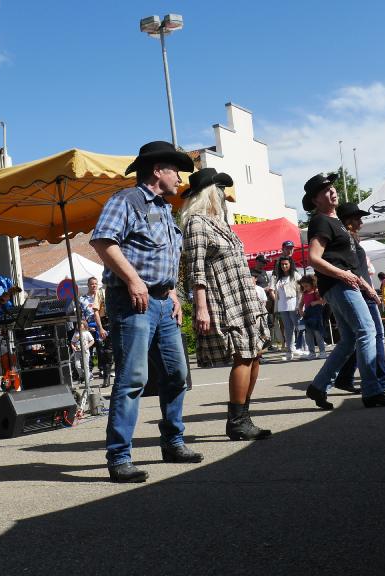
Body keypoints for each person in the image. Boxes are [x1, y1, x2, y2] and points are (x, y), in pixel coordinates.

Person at [90, 141, 200, 483]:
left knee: (177, 374)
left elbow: (164, 257)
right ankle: (119, 457)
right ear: (157, 170)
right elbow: (103, 241)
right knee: (132, 379)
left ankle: (173, 442)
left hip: (163, 303)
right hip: (132, 301)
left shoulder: (165, 209)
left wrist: (173, 293)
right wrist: (134, 280)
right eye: (175, 170)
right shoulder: (126, 200)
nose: (180, 178)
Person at [180, 167, 271, 441]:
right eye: (219, 190)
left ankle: (244, 417)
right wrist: (201, 307)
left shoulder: (220, 223)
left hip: (243, 297)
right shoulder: (196, 223)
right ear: (210, 193)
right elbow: (195, 270)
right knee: (243, 354)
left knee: (255, 354)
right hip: (224, 299)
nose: (223, 195)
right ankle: (237, 422)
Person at [301, 172, 385, 409]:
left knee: (348, 340)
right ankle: (372, 391)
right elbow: (314, 258)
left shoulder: (336, 222)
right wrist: (343, 276)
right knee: (367, 330)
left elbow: (348, 263)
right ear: (315, 200)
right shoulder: (320, 221)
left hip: (344, 284)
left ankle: (319, 386)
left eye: (332, 187)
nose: (332, 191)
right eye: (325, 190)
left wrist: (365, 285)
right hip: (339, 285)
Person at [333, 203, 385, 394]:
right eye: (358, 219)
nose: (361, 223)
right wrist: (369, 290)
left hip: (361, 291)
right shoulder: (347, 240)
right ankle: (381, 380)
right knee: (375, 335)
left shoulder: (351, 239)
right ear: (348, 221)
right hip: (362, 292)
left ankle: (345, 377)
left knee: (363, 337)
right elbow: (353, 270)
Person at [272, 256, 302, 360]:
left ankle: (305, 348)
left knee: (300, 327)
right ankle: (290, 350)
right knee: (288, 330)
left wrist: (299, 305)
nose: (284, 266)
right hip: (282, 307)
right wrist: (276, 307)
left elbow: (301, 291)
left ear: (290, 264)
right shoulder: (278, 277)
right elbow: (275, 293)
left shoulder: (295, 275)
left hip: (294, 305)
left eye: (286, 264)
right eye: (282, 264)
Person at [298, 275, 326, 358]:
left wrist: (316, 302)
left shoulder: (316, 292)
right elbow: (301, 304)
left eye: (306, 286)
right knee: (308, 335)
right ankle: (312, 352)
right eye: (303, 286)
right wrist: (300, 310)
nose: (305, 288)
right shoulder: (304, 293)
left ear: (312, 284)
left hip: (316, 316)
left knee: (318, 334)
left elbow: (324, 301)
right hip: (307, 316)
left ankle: (322, 352)